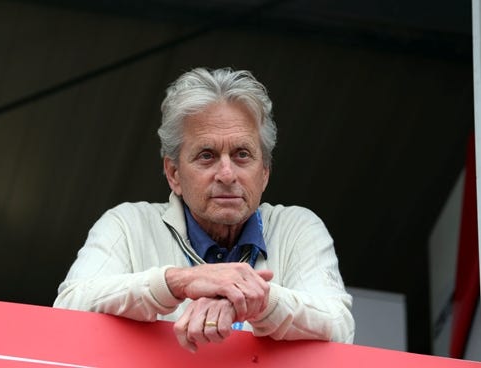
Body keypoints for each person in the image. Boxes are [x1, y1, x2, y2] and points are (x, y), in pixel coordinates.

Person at [53, 67, 355, 352]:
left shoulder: (298, 227)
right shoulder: (127, 224)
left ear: (264, 172)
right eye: (207, 156)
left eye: (242, 155)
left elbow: (340, 327)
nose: (227, 174)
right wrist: (178, 282)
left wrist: (250, 299)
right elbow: (68, 308)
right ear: (173, 174)